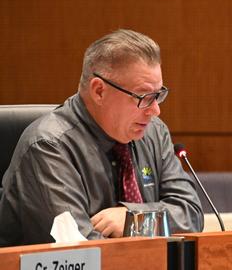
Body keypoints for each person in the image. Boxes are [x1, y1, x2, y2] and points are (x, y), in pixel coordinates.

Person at [0, 29, 204, 246]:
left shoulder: (153, 132)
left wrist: (133, 218)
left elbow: (190, 214)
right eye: (144, 97)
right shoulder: (49, 146)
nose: (155, 110)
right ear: (99, 91)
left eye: (158, 95)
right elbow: (80, 248)